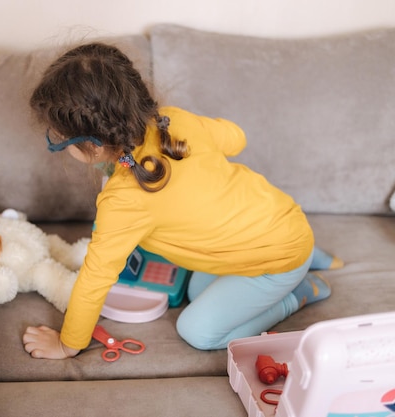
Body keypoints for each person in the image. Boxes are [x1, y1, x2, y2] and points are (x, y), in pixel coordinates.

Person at [23, 42, 342, 359]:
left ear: (92, 144)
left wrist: (68, 344)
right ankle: (306, 255)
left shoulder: (123, 202)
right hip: (282, 219)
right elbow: (236, 138)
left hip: (275, 257)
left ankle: (297, 291)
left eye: (59, 139)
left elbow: (94, 279)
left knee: (197, 331)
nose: (61, 146)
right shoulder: (173, 120)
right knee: (195, 290)